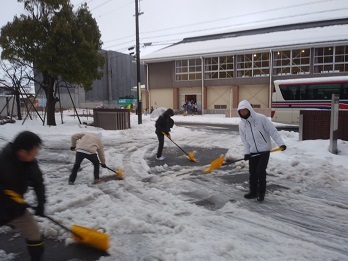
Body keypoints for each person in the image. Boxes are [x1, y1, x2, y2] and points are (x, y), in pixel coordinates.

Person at [0, 131, 46, 261]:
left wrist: (41, 202)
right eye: (34, 150)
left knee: (34, 232)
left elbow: (38, 183)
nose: (36, 152)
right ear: (22, 152)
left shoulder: (30, 163)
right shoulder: (2, 161)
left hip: (15, 208)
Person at [237, 100, 286, 202]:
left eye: (245, 110)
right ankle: (253, 192)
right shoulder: (242, 124)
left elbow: (273, 131)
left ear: (249, 109)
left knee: (260, 171)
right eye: (241, 111)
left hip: (264, 151)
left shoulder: (261, 119)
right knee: (252, 172)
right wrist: (247, 152)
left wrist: (280, 143)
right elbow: (244, 140)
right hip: (252, 152)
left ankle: (261, 194)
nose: (243, 113)